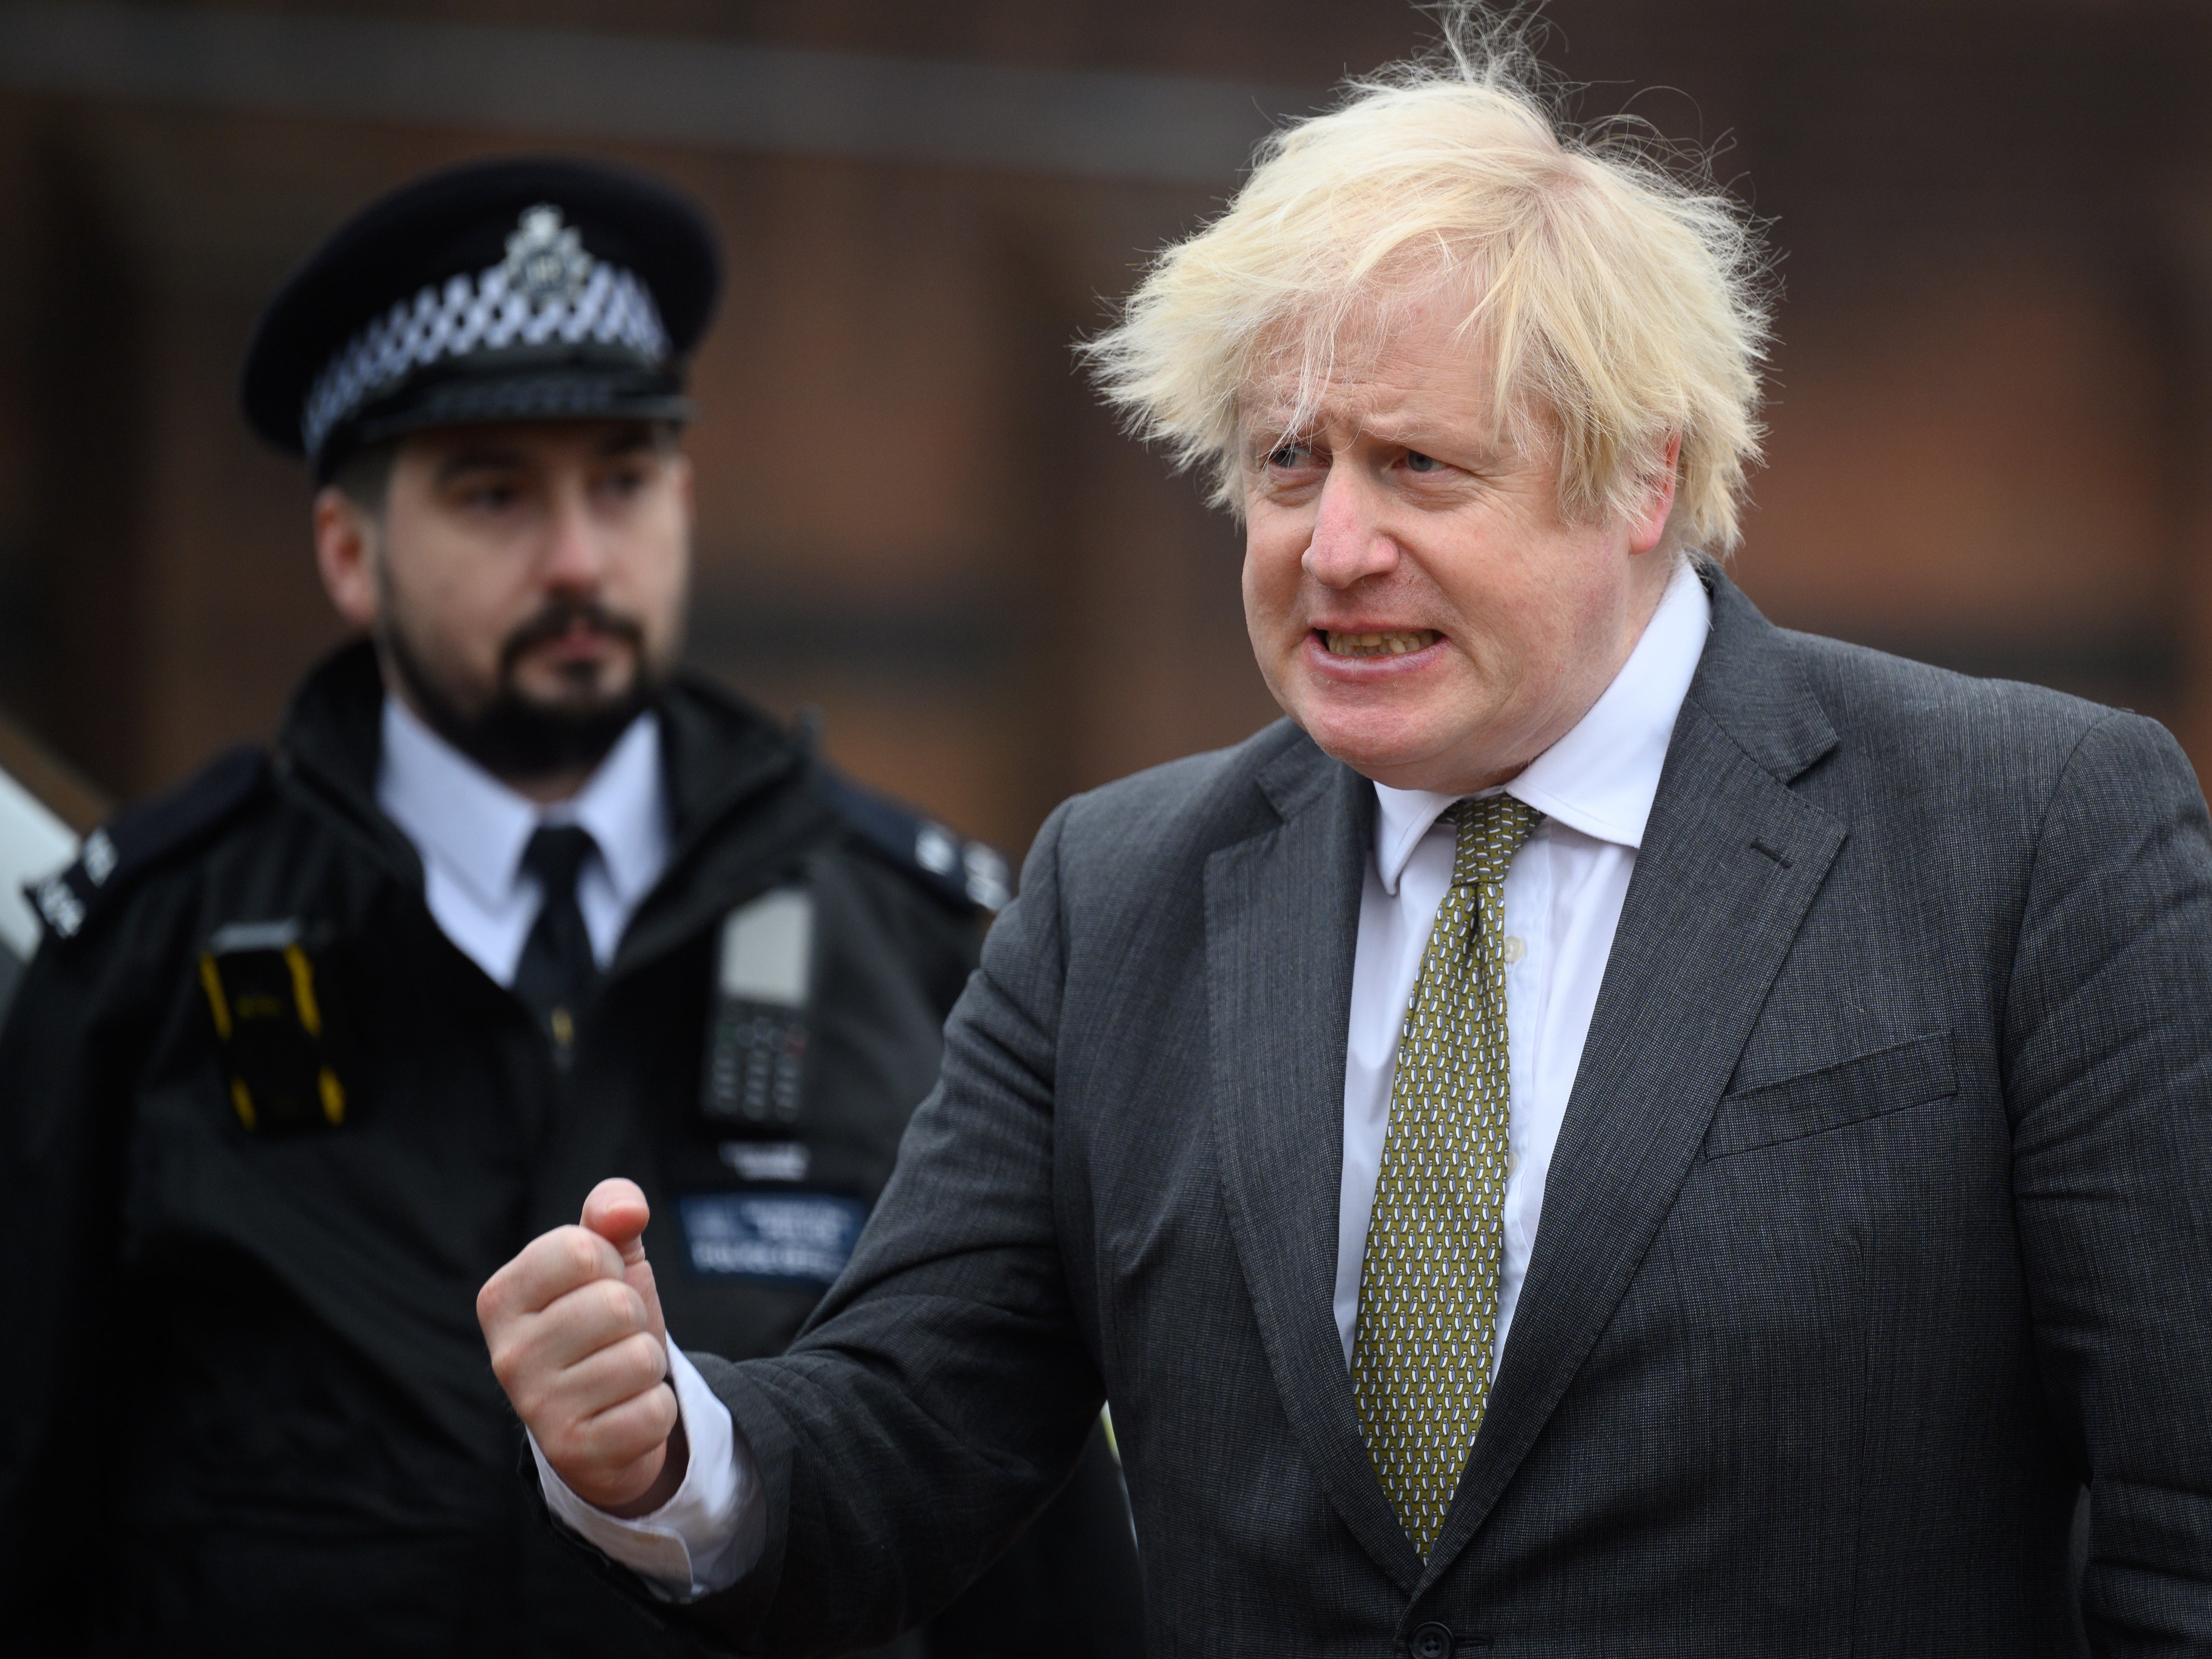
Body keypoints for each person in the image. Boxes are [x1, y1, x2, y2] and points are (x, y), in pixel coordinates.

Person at [489, 29, 2202, 1658]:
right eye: (1288, 463)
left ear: (1645, 479)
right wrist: (664, 1447)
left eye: (1418, 465)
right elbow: (913, 1432)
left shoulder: (2028, 837)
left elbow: (2184, 1519)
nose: (1334, 545)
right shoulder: (1115, 892)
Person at [0, 156, 1143, 1657]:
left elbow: (1030, 1543)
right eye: (494, 493)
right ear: (350, 551)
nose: (579, 560)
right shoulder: (148, 951)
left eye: (623, 479)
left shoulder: (909, 941)